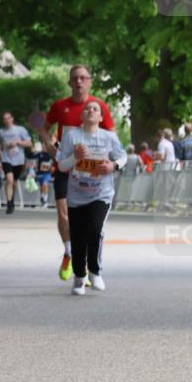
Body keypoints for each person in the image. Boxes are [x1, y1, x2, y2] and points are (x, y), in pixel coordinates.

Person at [40, 65, 115, 281]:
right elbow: (44, 128)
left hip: (90, 171)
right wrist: (49, 146)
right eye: (75, 78)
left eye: (83, 78)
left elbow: (111, 132)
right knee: (63, 213)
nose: (79, 82)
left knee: (89, 220)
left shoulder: (99, 106)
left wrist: (109, 158)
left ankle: (87, 263)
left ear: (90, 81)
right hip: (65, 167)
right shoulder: (59, 106)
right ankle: (69, 252)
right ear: (69, 82)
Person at [56, 101, 126, 295]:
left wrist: (113, 166)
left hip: (101, 193)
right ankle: (79, 277)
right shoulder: (72, 136)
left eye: (95, 109)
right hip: (77, 195)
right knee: (78, 236)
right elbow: (61, 165)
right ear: (82, 116)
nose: (91, 110)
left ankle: (95, 271)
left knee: (95, 230)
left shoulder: (109, 137)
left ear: (101, 117)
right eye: (87, 108)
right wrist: (75, 157)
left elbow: (123, 157)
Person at [0, 111, 33, 214]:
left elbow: (29, 143)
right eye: (5, 119)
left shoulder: (21, 130)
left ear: (12, 119)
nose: (7, 120)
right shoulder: (1, 131)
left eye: (9, 118)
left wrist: (18, 142)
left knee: (14, 182)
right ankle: (9, 204)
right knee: (9, 180)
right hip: (6, 159)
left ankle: (12, 199)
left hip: (19, 160)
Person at [32, 141, 54, 206]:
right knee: (41, 186)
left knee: (45, 183)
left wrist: (52, 167)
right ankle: (42, 198)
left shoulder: (51, 154)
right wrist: (33, 151)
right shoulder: (40, 154)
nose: (44, 147)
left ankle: (45, 199)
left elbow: (55, 161)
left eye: (45, 146)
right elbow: (33, 158)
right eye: (43, 146)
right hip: (40, 173)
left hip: (47, 173)